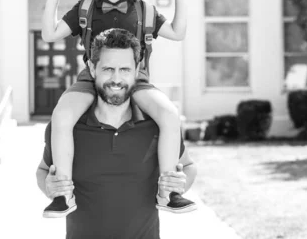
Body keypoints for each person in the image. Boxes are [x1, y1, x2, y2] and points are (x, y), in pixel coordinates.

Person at [41, 0, 195, 217]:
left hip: (137, 79)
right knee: (62, 115)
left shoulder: (145, 11)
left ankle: (169, 191)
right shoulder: (83, 9)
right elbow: (49, 34)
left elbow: (178, 32)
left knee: (170, 115)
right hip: (92, 76)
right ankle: (63, 195)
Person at [36, 28, 197, 239]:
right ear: (92, 69)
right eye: (108, 69)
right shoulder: (68, 126)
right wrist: (49, 187)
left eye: (125, 69)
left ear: (137, 69)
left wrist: (180, 184)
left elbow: (188, 167)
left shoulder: (157, 126)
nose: (116, 79)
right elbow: (43, 170)